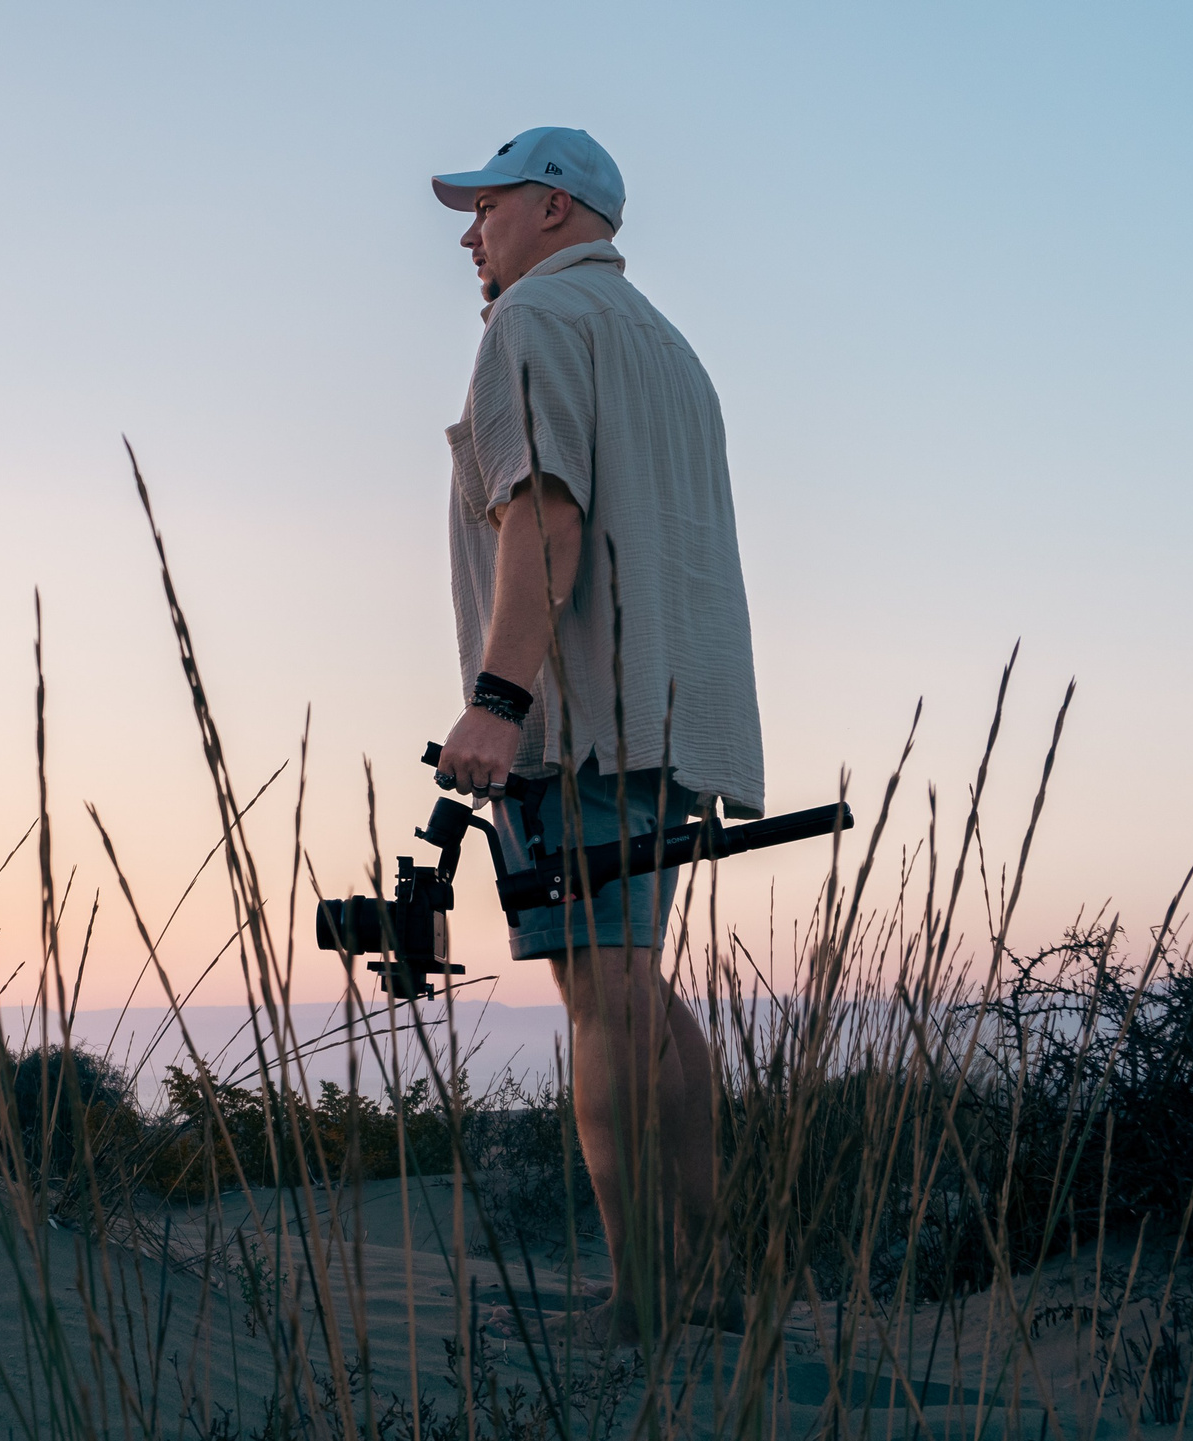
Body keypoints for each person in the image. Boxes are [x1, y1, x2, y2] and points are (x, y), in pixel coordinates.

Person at [427, 126, 763, 1344]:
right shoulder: (667, 348)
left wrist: (497, 702)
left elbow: (546, 525)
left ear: (556, 211)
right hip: (673, 717)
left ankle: (643, 1297)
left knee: (604, 998)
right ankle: (701, 1276)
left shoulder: (530, 325)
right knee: (637, 992)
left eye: (489, 207)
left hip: (580, 721)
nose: (470, 233)